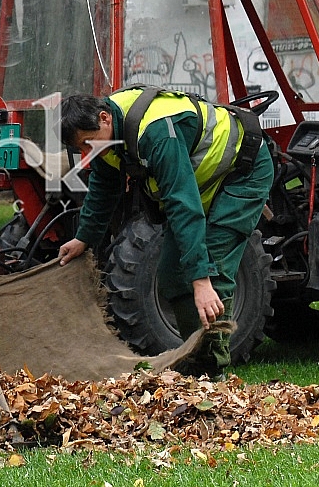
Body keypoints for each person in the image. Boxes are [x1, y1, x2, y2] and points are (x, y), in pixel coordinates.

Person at [57, 88, 274, 377]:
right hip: (203, 182)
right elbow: (103, 187)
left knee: (214, 269)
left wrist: (201, 281)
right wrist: (83, 238)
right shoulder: (105, 137)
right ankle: (196, 360)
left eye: (87, 144)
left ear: (105, 118)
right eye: (80, 149)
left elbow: (182, 205)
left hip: (242, 172)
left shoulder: (156, 132)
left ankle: (212, 372)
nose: (87, 154)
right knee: (173, 274)